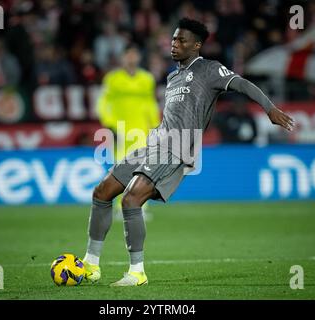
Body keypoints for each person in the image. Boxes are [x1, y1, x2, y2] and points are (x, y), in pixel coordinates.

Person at [81, 18, 294, 287]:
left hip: (177, 146)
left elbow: (242, 84)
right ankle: (91, 265)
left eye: (181, 40)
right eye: (172, 39)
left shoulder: (209, 69)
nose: (174, 44)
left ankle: (137, 273)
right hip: (153, 142)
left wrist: (269, 108)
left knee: (131, 200)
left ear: (196, 45)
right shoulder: (172, 76)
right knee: (102, 191)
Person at [97, 44, 160, 219]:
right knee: (121, 172)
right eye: (128, 54)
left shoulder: (147, 79)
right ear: (122, 57)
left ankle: (138, 208)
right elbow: (103, 103)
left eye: (134, 54)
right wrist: (109, 124)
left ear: (138, 57)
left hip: (141, 131)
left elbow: (150, 105)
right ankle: (120, 208)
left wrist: (156, 126)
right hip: (120, 131)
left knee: (144, 171)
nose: (131, 58)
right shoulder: (113, 79)